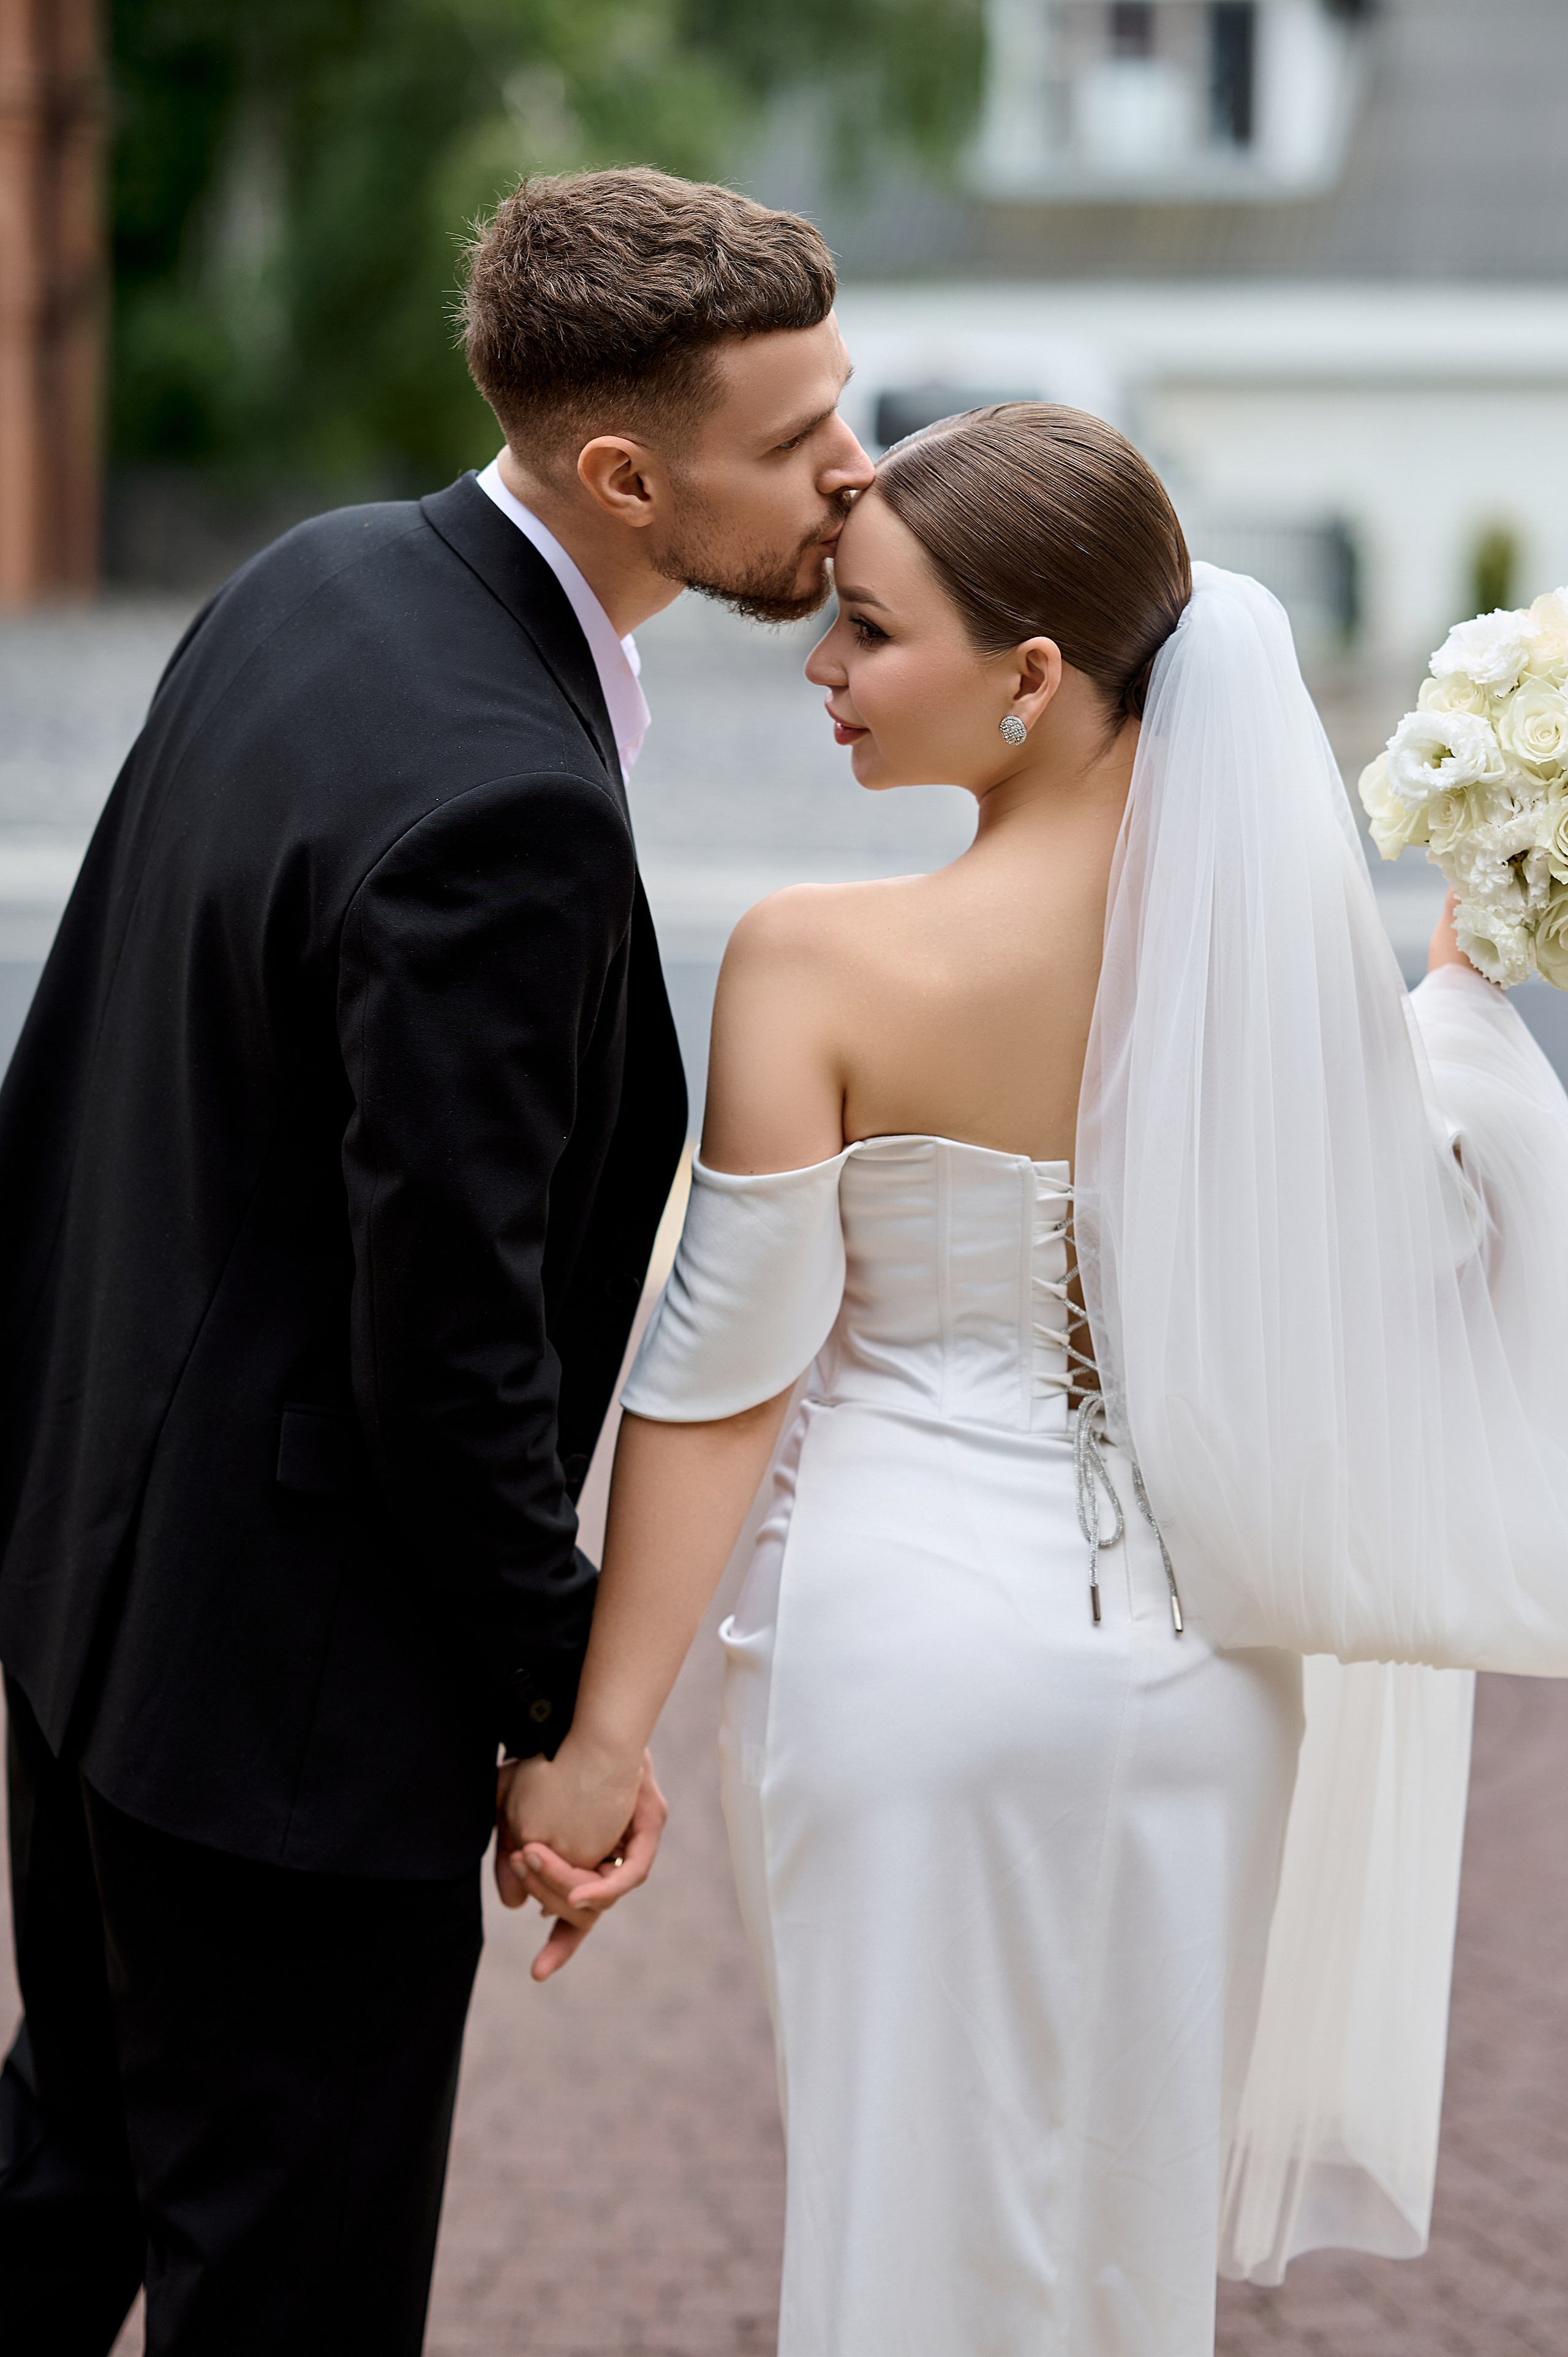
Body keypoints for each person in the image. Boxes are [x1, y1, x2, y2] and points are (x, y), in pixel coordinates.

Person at [503, 405, 1568, 2353]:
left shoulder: (819, 963)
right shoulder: (1303, 999)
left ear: (1033, 674)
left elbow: (723, 1372)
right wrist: (1473, 997)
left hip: (906, 1665)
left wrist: (597, 1742)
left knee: (906, 2252)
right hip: (1206, 1690)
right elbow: (1415, 1279)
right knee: (1116, 2270)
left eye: (868, 631)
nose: (821, 669)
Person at [0, 167, 872, 2356]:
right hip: (290, 1702)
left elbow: (84, 1063)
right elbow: (449, 1351)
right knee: (286, 2286)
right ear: (621, 473)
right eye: (795, 440)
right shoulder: (506, 800)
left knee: (71, 2180)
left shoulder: (316, 582)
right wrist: (564, 1706)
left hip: (98, 1604)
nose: (853, 473)